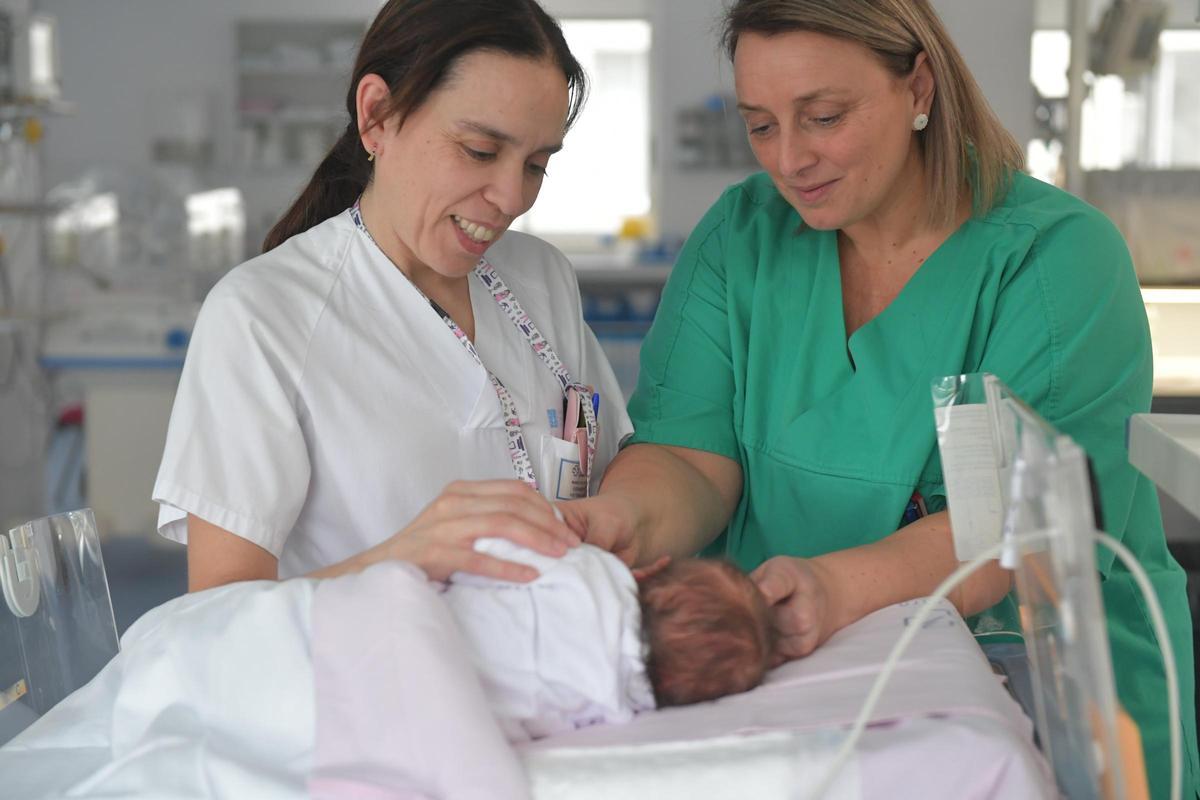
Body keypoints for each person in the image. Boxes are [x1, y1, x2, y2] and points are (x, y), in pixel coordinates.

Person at [559, 1, 1198, 794]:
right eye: (760, 126)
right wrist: (617, 519)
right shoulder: (742, 239)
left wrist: (831, 590)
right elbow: (690, 456)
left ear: (918, 84)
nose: (789, 160)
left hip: (1051, 693)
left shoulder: (1054, 260)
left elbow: (1008, 529)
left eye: (823, 117)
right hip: (790, 692)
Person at [153, 0, 628, 592]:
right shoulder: (262, 317)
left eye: (535, 164)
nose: (511, 197)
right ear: (377, 116)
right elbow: (221, 614)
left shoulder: (542, 279)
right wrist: (406, 557)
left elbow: (614, 475)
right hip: (371, 679)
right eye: (480, 151)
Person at [443, 539, 777, 740]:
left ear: (653, 569)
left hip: (433, 620)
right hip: (452, 706)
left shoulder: (590, 570)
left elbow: (490, 545)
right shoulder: (607, 708)